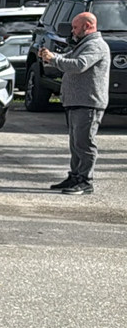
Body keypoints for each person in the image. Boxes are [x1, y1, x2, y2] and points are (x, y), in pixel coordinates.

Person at [39, 11, 110, 195]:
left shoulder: (96, 45)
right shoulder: (84, 44)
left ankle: (86, 180)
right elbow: (68, 57)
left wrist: (53, 59)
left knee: (84, 143)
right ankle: (75, 176)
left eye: (75, 27)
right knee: (75, 143)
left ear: (87, 26)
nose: (72, 31)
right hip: (75, 102)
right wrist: (50, 55)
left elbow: (78, 65)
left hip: (88, 102)